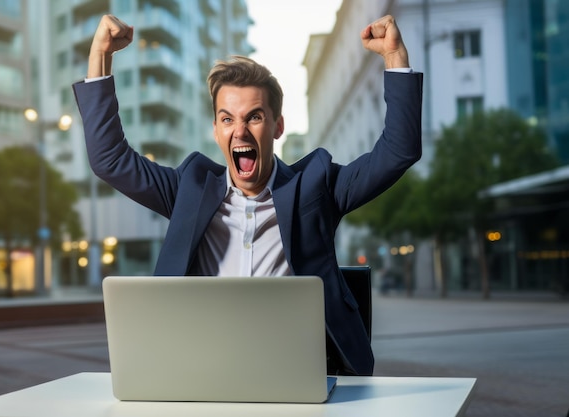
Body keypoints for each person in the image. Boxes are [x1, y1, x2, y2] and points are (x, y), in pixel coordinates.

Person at [73, 14, 422, 376]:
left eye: (254, 117)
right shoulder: (188, 191)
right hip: (202, 366)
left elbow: (398, 152)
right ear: (215, 129)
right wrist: (100, 55)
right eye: (227, 119)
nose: (239, 131)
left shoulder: (316, 187)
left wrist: (394, 58)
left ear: (277, 126)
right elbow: (110, 160)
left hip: (294, 367)